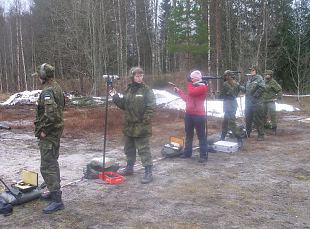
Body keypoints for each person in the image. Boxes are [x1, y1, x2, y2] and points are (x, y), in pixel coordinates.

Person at [110, 67, 156, 184]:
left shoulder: (146, 90)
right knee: (129, 148)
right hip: (129, 125)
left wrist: (145, 120)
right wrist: (115, 97)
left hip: (141, 125)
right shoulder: (128, 90)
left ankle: (148, 172)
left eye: (141, 75)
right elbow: (124, 105)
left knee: (143, 149)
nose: (139, 78)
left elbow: (151, 107)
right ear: (132, 77)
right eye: (137, 76)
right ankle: (129, 168)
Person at [34, 63, 65, 213]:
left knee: (47, 166)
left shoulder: (48, 90)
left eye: (39, 75)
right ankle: (55, 193)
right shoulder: (56, 86)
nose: (38, 78)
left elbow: (51, 115)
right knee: (52, 162)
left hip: (50, 133)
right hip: (55, 132)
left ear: (43, 76)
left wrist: (44, 131)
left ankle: (57, 200)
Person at [174, 70, 208, 163]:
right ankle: (187, 153)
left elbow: (191, 93)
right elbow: (187, 99)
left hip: (199, 115)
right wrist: (179, 92)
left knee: (201, 136)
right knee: (188, 134)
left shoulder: (203, 87)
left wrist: (189, 83)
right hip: (189, 114)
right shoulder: (194, 86)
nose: (190, 80)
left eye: (191, 78)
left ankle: (203, 155)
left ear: (196, 79)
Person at [220, 70, 243, 147]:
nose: (225, 77)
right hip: (232, 104)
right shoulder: (236, 83)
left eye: (226, 76)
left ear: (228, 76)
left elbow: (221, 95)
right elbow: (237, 92)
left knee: (231, 123)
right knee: (225, 122)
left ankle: (239, 138)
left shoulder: (226, 84)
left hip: (229, 104)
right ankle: (222, 137)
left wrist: (220, 94)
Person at [244, 66, 266, 141]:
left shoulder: (259, 78)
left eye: (253, 70)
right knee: (248, 119)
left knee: (258, 119)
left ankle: (261, 135)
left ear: (256, 71)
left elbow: (262, 87)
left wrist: (255, 95)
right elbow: (246, 90)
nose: (251, 71)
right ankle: (247, 133)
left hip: (257, 103)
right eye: (251, 70)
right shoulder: (249, 80)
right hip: (248, 103)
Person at [262, 70, 282, 135]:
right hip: (263, 101)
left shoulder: (273, 82)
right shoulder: (263, 81)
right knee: (263, 115)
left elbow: (279, 90)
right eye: (265, 74)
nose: (266, 75)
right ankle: (264, 126)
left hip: (271, 101)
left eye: (267, 74)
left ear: (271, 75)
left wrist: (278, 97)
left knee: (272, 115)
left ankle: (274, 128)